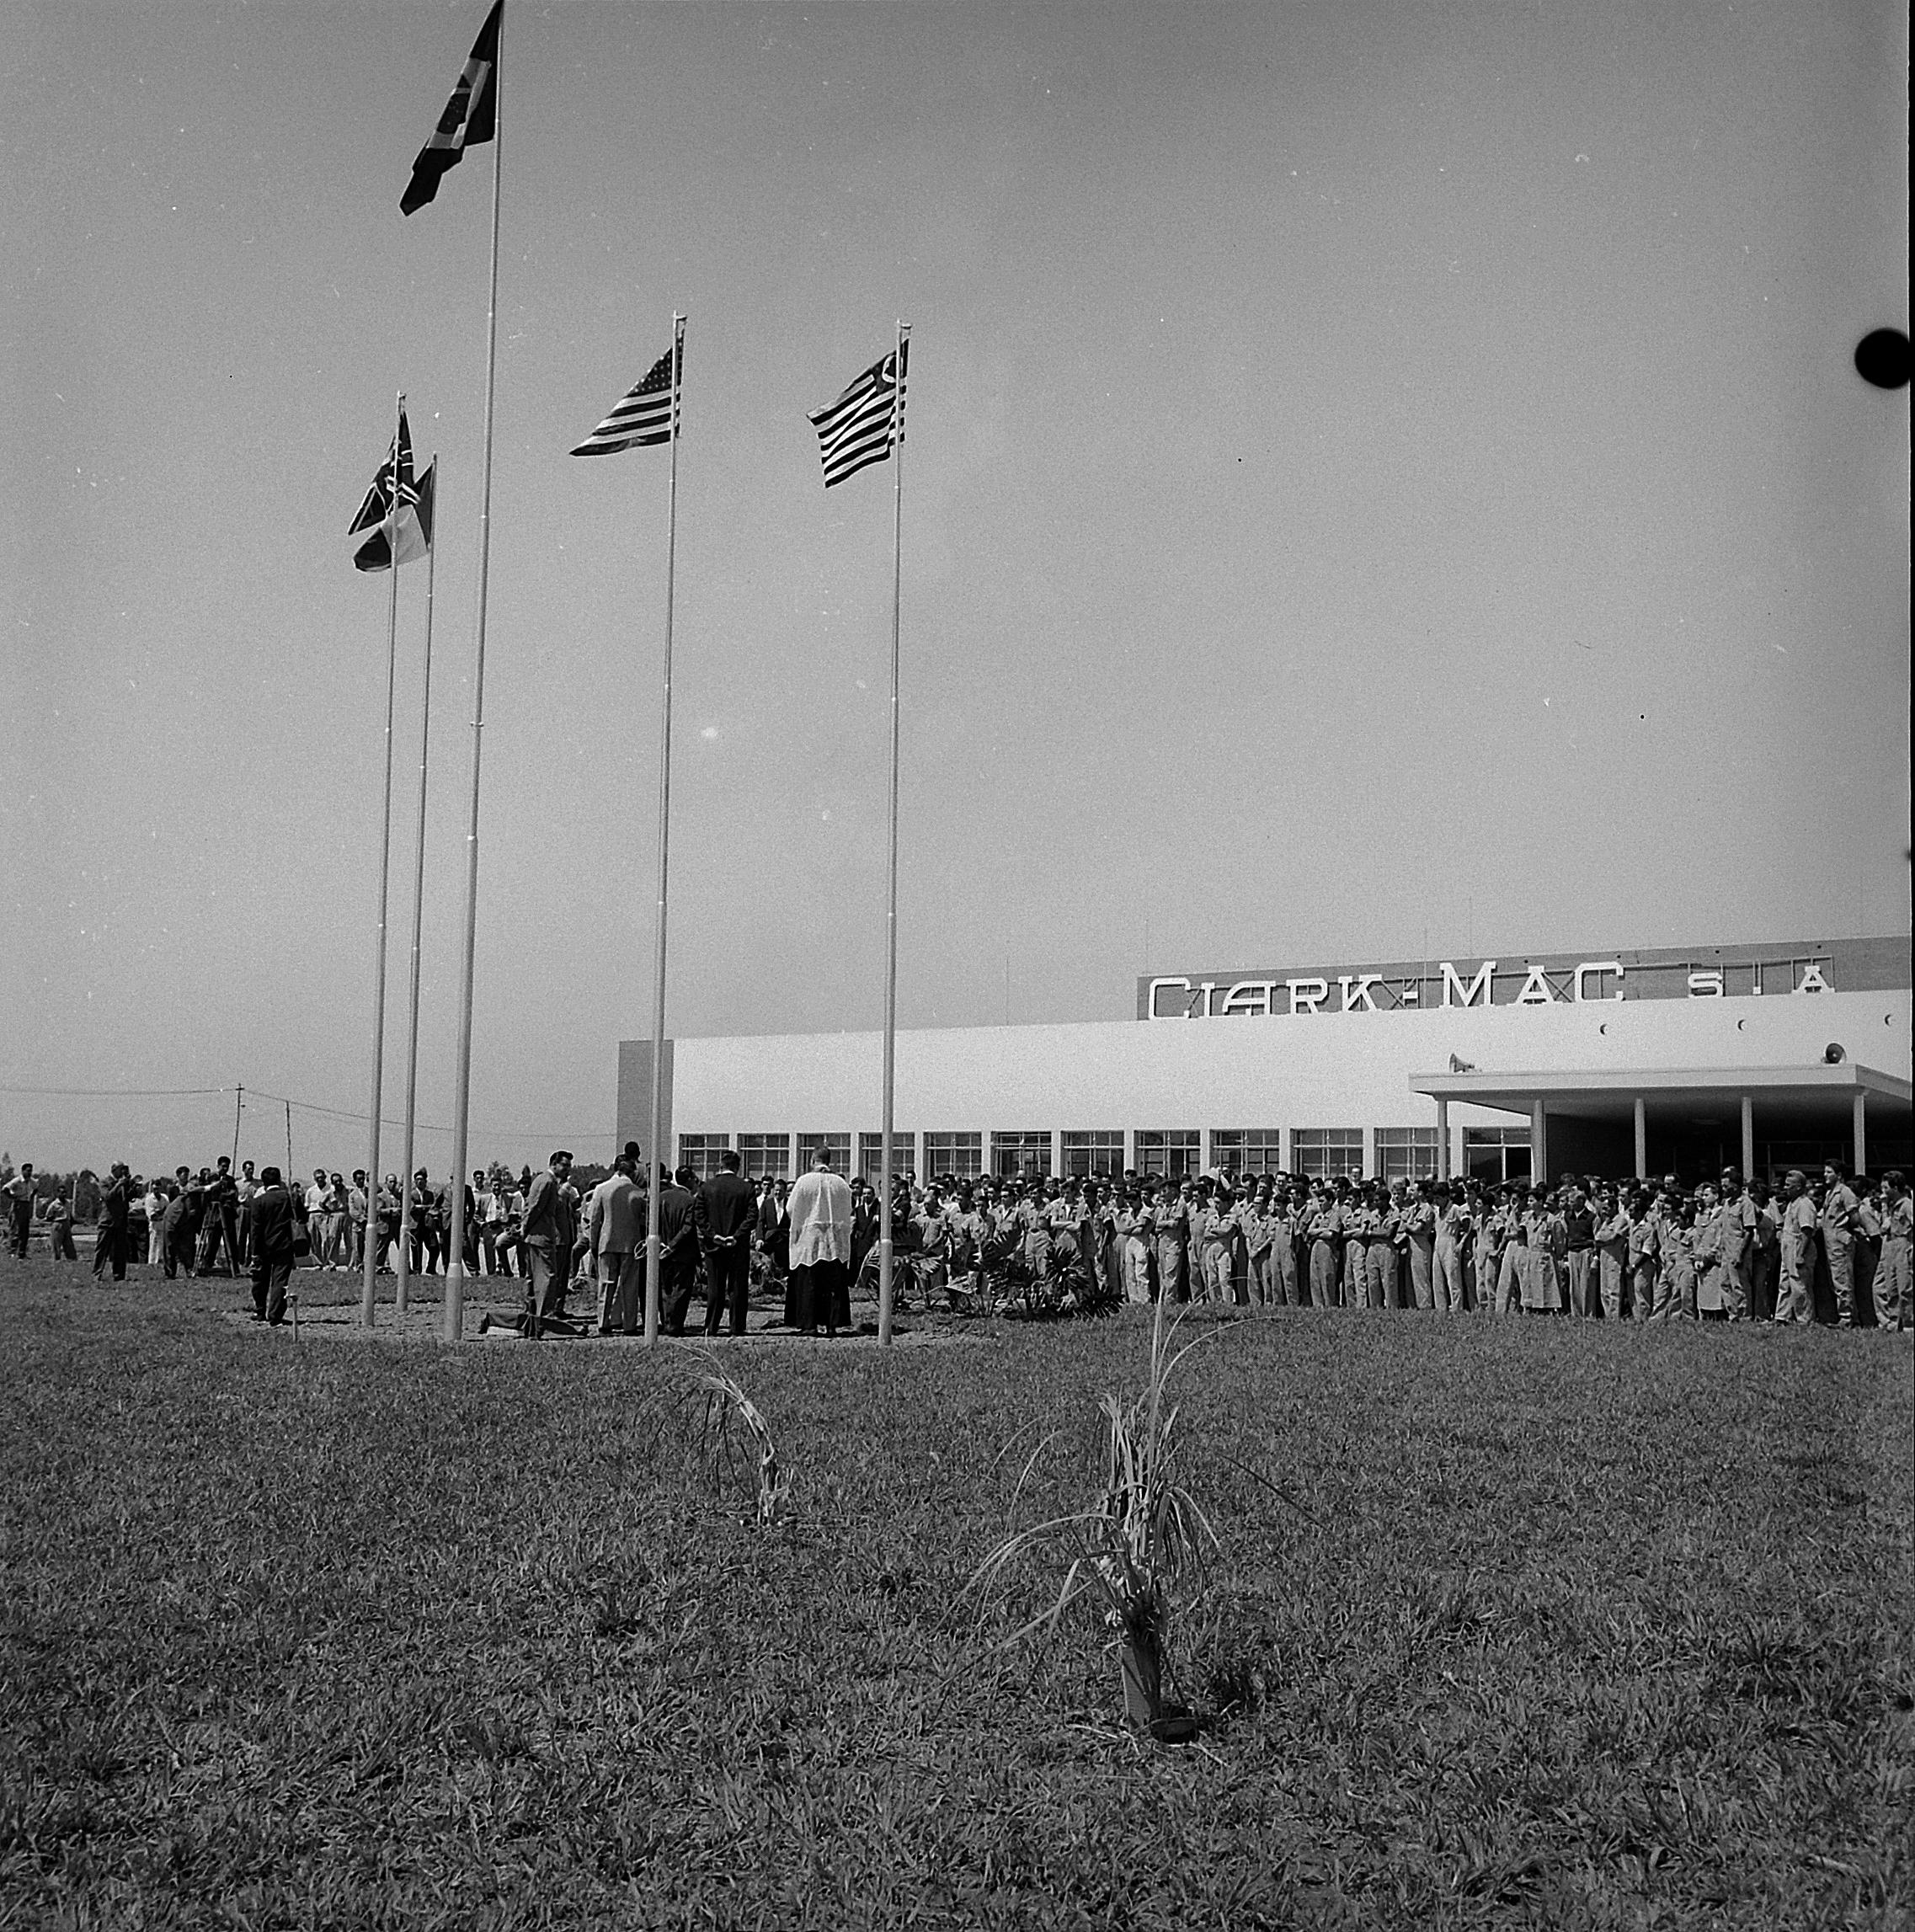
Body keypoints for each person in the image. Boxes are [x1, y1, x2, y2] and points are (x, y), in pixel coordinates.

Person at [786, 1147, 853, 1337]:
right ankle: (832, 1324)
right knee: (833, 1283)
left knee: (809, 1282)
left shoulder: (804, 1181)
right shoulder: (841, 1183)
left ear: (812, 1160)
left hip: (810, 1240)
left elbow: (791, 1209)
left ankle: (810, 1324)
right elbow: (848, 1209)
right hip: (834, 1241)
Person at [695, 1150, 758, 1337]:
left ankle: (711, 1326)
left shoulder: (707, 1187)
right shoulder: (746, 1188)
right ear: (738, 1167)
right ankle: (737, 1326)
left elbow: (699, 1215)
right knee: (737, 1287)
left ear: (720, 1165)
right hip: (738, 1246)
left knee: (715, 1287)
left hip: (714, 1245)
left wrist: (713, 1235)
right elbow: (752, 1216)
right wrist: (737, 1236)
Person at [520, 1150, 577, 1334]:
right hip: (541, 1235)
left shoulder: (544, 1180)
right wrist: (525, 1227)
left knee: (536, 1276)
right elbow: (535, 1207)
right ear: (554, 1164)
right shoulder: (547, 1182)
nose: (567, 1169)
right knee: (547, 1277)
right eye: (564, 1165)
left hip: (538, 1235)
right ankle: (541, 1317)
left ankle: (532, 1315)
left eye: (569, 1166)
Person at [587, 1154, 644, 1335]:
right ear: (633, 1172)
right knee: (629, 1286)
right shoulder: (638, 1192)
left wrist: (593, 1242)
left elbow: (594, 1219)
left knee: (606, 1284)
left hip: (607, 1241)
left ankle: (603, 1322)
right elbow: (643, 1220)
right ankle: (629, 1324)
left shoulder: (601, 1189)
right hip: (631, 1243)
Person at [247, 1166, 297, 1326]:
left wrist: (254, 1252)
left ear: (263, 1182)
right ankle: (275, 1315)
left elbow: (255, 1229)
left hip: (263, 1246)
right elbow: (301, 1216)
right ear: (279, 1179)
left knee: (260, 1280)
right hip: (284, 1245)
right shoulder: (289, 1198)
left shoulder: (258, 1201)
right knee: (280, 1281)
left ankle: (260, 1310)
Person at [1819, 1161, 1861, 1329]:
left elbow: (1855, 1217)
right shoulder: (1830, 1193)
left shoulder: (1845, 1192)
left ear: (1839, 1175)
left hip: (1840, 1240)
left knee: (1843, 1279)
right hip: (1830, 1241)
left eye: (1829, 1172)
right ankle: (1847, 1315)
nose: (1825, 1175)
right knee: (1836, 1279)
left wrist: (1844, 1230)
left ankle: (1847, 1317)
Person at [1775, 1171, 1817, 1326]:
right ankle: (1782, 1316)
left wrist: (1800, 1254)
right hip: (1787, 1247)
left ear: (1799, 1187)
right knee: (1785, 1282)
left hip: (1798, 1246)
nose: (1785, 1188)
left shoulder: (1805, 1205)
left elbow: (1807, 1231)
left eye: (1789, 1186)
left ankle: (1804, 1319)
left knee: (1800, 1285)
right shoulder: (1792, 1203)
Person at [1874, 1171, 1910, 1331]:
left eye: (1886, 1188)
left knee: (1905, 1287)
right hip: (1890, 1245)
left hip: (1903, 1244)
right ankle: (1893, 1322)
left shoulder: (1907, 1205)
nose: (1883, 1192)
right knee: (1891, 1286)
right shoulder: (1889, 1206)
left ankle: (1909, 1324)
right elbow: (1884, 1227)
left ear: (1895, 1188)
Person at [91, 1164, 131, 1282]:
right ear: (114, 1170)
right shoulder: (105, 1182)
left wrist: (129, 1185)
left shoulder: (123, 1183)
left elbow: (127, 1198)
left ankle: (119, 1275)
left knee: (120, 1250)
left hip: (120, 1221)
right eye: (121, 1169)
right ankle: (97, 1273)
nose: (122, 1171)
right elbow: (107, 1197)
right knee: (102, 1249)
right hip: (107, 1221)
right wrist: (118, 1185)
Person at [5, 1164, 35, 1258]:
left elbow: (36, 1188)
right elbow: (5, 1189)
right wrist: (12, 1197)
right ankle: (12, 1251)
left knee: (25, 1230)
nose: (29, 1173)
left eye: (31, 1171)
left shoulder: (31, 1181)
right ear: (23, 1171)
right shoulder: (17, 1181)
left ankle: (22, 1252)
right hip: (18, 1204)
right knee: (16, 1229)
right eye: (28, 1171)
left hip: (26, 1205)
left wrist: (31, 1196)